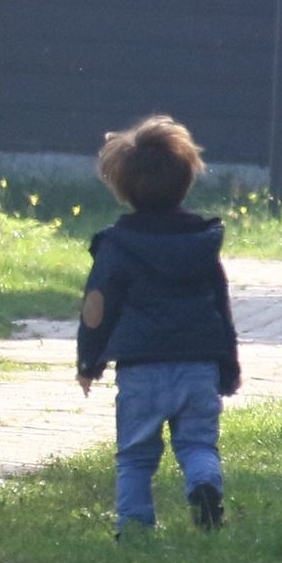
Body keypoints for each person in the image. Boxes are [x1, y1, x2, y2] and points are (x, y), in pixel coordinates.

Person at [77, 115, 241, 535]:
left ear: (123, 187)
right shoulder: (202, 243)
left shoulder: (117, 245)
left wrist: (88, 360)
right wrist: (228, 365)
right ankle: (204, 484)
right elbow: (220, 307)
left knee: (134, 455)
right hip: (198, 363)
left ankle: (134, 525)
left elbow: (98, 306)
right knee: (198, 444)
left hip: (141, 368)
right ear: (186, 179)